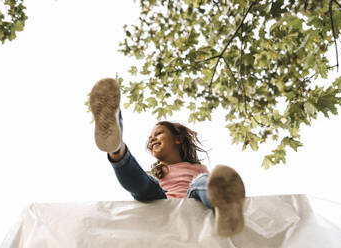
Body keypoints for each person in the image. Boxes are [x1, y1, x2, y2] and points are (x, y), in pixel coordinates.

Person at [89, 78, 246, 237]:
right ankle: (116, 147)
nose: (152, 139)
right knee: (146, 184)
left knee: (201, 181)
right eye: (150, 138)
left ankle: (225, 205)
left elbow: (200, 185)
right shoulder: (154, 174)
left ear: (178, 139)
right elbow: (141, 185)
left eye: (158, 134)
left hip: (190, 199)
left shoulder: (197, 169)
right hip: (160, 201)